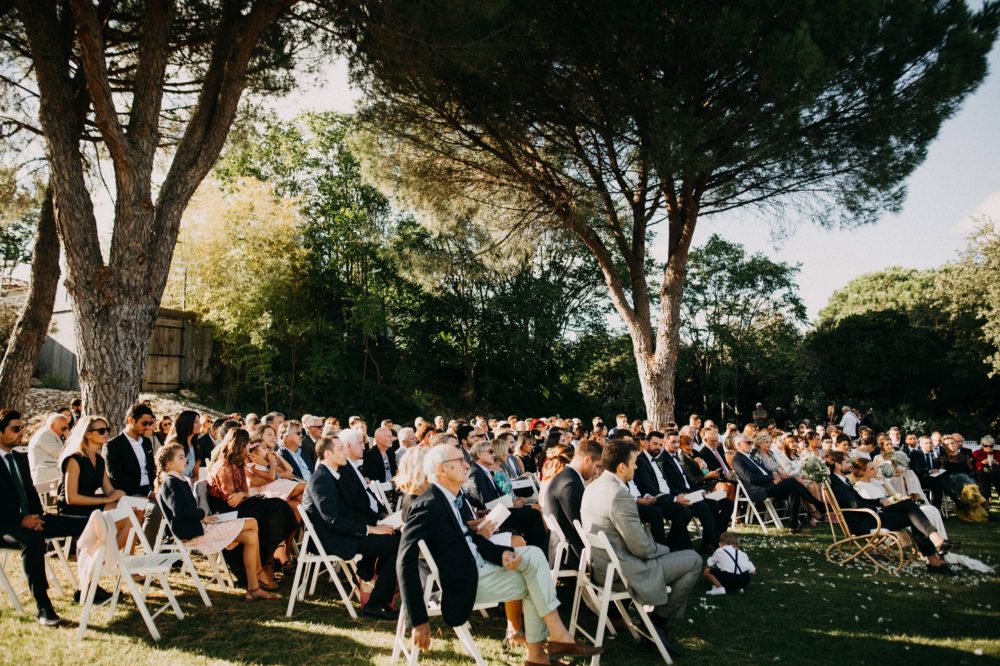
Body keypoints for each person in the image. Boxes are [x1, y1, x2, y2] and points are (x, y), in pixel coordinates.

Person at [397, 443, 602, 665]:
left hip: (478, 567)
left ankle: (546, 648)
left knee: (534, 558)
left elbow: (468, 538)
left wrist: (500, 554)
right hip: (465, 583)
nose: (466, 465)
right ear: (441, 469)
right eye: (459, 461)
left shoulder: (446, 497)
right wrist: (418, 619)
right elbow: (405, 560)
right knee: (535, 577)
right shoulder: (428, 504)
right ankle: (550, 645)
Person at [580, 439, 702, 658]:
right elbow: (642, 549)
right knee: (693, 560)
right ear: (621, 466)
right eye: (634, 462)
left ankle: (656, 622)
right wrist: (666, 550)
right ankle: (657, 623)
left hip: (601, 567)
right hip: (623, 571)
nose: (636, 467)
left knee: (682, 558)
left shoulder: (592, 487)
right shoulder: (619, 495)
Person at [1, 409, 92, 625]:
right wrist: (20, 520)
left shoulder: (19, 458)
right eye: (15, 428)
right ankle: (43, 607)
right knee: (32, 540)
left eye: (22, 428)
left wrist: (38, 516)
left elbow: (30, 491)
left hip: (31, 519)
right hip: (5, 526)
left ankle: (88, 585)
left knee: (87, 524)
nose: (21, 432)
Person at [154, 443, 274, 600]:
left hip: (200, 527)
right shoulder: (170, 482)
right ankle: (258, 572)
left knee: (251, 536)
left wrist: (204, 517)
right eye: (181, 457)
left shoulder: (177, 480)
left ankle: (253, 588)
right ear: (169, 464)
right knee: (252, 522)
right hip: (194, 534)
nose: (186, 460)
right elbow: (181, 511)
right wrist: (203, 515)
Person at [301, 436, 400, 620]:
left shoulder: (333, 474)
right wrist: (371, 529)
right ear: (328, 454)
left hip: (341, 533)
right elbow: (333, 520)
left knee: (395, 537)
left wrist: (378, 523)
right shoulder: (321, 479)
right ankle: (375, 602)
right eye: (341, 449)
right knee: (397, 544)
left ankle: (366, 575)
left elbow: (351, 511)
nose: (345, 452)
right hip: (331, 539)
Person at [826, 451, 953, 575]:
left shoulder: (843, 480)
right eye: (847, 462)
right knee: (912, 515)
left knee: (909, 506)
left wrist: (880, 501)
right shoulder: (834, 482)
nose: (850, 465)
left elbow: (860, 500)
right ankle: (935, 553)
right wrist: (877, 509)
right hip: (863, 521)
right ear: (837, 465)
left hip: (869, 515)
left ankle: (935, 550)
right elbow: (853, 504)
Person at [207, 429, 296, 586]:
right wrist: (242, 494)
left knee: (279, 505)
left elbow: (244, 491)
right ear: (238, 446)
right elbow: (231, 500)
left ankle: (268, 559)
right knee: (272, 511)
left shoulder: (238, 463)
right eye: (245, 447)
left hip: (242, 503)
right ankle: (265, 564)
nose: (247, 450)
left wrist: (242, 494)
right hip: (227, 510)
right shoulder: (224, 467)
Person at [463, 439, 548, 551]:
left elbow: (500, 494)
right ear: (479, 454)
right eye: (490, 452)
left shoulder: (483, 470)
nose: (493, 454)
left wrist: (513, 501)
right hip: (491, 515)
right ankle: (539, 551)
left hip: (501, 509)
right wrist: (511, 503)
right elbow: (486, 503)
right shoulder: (475, 473)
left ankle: (538, 549)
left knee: (534, 512)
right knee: (533, 514)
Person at [731, 434, 824, 533]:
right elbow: (751, 478)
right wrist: (772, 477)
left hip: (769, 484)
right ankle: (815, 503)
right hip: (759, 489)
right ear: (739, 444)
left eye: (751, 442)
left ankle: (794, 526)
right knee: (793, 481)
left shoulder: (750, 456)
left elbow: (765, 471)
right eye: (748, 443)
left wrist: (775, 477)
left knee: (794, 491)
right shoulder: (738, 460)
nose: (751, 445)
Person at [849, 458, 948, 539]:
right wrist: (892, 502)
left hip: (891, 508)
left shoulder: (876, 482)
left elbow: (892, 495)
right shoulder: (860, 486)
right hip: (882, 515)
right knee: (925, 511)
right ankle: (935, 541)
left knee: (932, 509)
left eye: (875, 467)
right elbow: (872, 505)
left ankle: (940, 540)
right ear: (862, 472)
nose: (875, 470)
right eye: (872, 469)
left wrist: (884, 482)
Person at [541, 439, 602, 568]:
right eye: (597, 466)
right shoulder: (571, 484)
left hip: (560, 549)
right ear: (587, 460)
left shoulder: (565, 476)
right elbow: (582, 526)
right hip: (571, 556)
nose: (597, 472)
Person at [28, 412, 69, 485]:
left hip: (50, 475)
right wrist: (69, 437)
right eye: (63, 428)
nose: (65, 431)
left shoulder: (50, 434)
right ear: (52, 425)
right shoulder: (46, 434)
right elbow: (61, 454)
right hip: (47, 476)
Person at [163, 410, 202, 481]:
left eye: (199, 421)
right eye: (196, 422)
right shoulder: (173, 443)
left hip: (188, 483)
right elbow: (166, 470)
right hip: (173, 482)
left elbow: (196, 475)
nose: (200, 425)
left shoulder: (195, 446)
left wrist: (190, 482)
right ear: (187, 424)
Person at [972, 435, 1000, 502]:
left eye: (991, 446)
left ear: (993, 445)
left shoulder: (998, 453)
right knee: (985, 473)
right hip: (981, 473)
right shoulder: (977, 453)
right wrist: (982, 462)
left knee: (995, 473)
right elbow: (973, 465)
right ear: (982, 445)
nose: (988, 447)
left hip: (996, 473)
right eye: (985, 446)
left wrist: (997, 462)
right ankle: (987, 496)